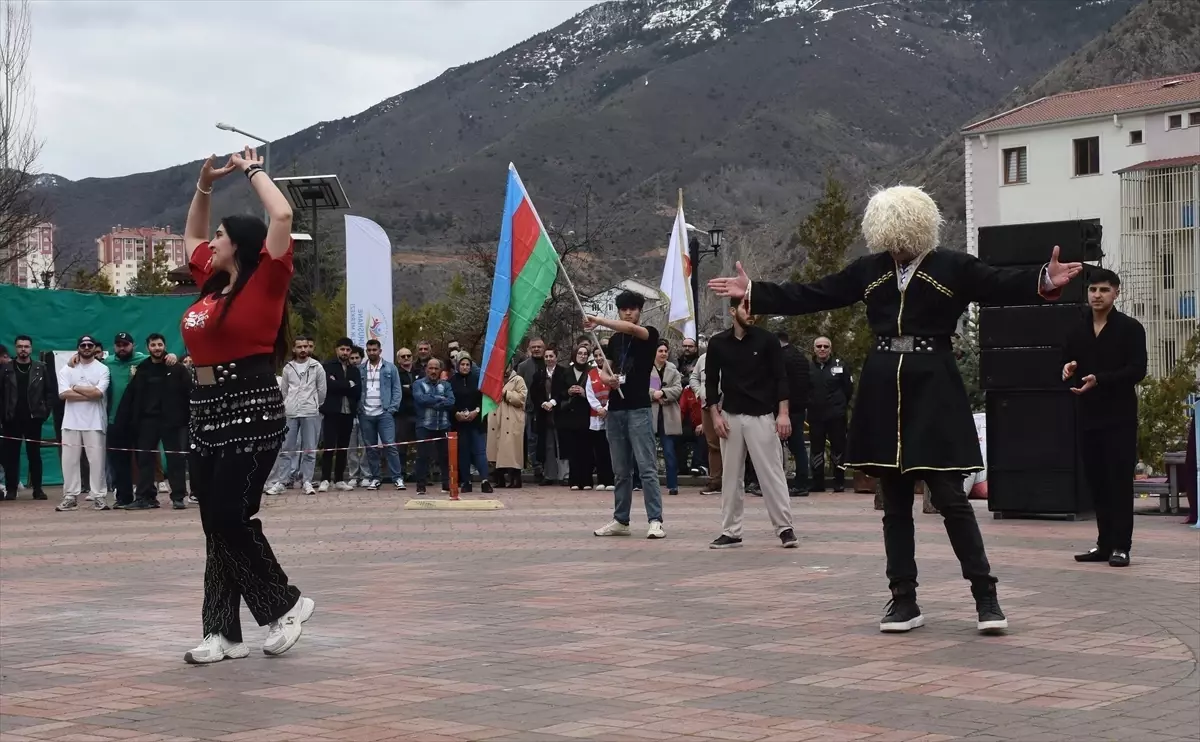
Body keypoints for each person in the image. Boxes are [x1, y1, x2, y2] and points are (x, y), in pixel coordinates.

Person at [710, 184, 1082, 634]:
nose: (899, 244)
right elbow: (815, 293)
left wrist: (1043, 279)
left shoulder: (952, 266)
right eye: (892, 235)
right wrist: (756, 290)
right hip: (884, 384)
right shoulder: (871, 269)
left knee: (950, 498)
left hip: (935, 382)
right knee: (895, 501)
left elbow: (997, 282)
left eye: (904, 233)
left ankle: (986, 598)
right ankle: (903, 600)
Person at [179, 147, 312, 664]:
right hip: (206, 408)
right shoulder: (211, 285)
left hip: (252, 406)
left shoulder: (267, 279)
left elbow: (281, 215)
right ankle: (222, 633)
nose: (209, 243)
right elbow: (192, 235)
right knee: (214, 519)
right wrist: (204, 185)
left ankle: (285, 604)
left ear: (238, 245)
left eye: (219, 236)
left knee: (231, 515)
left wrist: (253, 171)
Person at [1062, 269, 1147, 567]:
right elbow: (1067, 362)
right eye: (1092, 290)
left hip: (1120, 418)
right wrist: (1068, 368)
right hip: (1088, 416)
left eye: (1103, 290)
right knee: (1096, 482)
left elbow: (1138, 370)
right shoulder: (1077, 329)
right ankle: (1104, 544)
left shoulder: (1130, 328)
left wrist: (1102, 379)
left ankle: (1122, 546)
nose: (1097, 295)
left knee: (1119, 483)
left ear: (1116, 293)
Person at [706, 298, 798, 549]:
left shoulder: (767, 340)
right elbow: (711, 383)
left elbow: (781, 377)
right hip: (730, 417)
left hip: (762, 415)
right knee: (730, 476)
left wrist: (783, 413)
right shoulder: (717, 343)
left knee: (772, 474)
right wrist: (715, 416)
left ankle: (785, 528)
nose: (752, 314)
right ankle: (731, 532)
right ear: (733, 311)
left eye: (755, 309)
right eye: (747, 309)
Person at [588, 290, 665, 540]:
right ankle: (621, 519)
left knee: (647, 468)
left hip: (639, 408)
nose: (628, 313)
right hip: (616, 409)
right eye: (624, 309)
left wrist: (597, 320)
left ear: (640, 311)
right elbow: (604, 368)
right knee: (620, 470)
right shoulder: (614, 341)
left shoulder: (649, 334)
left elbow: (632, 330)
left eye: (632, 308)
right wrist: (606, 378)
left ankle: (655, 520)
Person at [117, 333, 192, 509]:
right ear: (147, 348)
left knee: (175, 460)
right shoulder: (142, 368)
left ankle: (178, 497)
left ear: (164, 346)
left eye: (159, 344)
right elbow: (131, 396)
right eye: (153, 345)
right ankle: (146, 497)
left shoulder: (177, 368)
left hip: (172, 422)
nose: (156, 348)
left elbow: (189, 392)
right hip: (147, 422)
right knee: (144, 460)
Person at [55, 335, 111, 512]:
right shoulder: (67, 369)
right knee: (69, 461)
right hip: (70, 422)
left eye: (90, 345)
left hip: (95, 422)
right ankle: (70, 496)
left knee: (96, 461)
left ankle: (99, 496)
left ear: (95, 348)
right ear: (78, 347)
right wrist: (89, 392)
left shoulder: (103, 369)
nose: (86, 347)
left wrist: (76, 388)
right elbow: (63, 394)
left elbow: (98, 394)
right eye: (83, 345)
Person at [266, 335, 326, 496]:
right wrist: (288, 405)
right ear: (294, 349)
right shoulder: (288, 368)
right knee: (286, 449)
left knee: (309, 449)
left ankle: (307, 481)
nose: (303, 350)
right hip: (291, 412)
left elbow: (322, 392)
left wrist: (313, 404)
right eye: (299, 347)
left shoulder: (317, 367)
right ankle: (282, 482)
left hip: (310, 412)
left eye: (306, 346)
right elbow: (284, 391)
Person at [1, 335, 55, 501]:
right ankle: (11, 489)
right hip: (11, 418)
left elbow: (50, 392)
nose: (23, 349)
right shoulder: (6, 369)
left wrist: (44, 412)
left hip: (34, 418)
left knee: (34, 455)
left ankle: (38, 489)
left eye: (26, 346)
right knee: (11, 456)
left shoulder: (41, 368)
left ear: (31, 348)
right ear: (15, 348)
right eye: (20, 346)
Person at [358, 338, 404, 490]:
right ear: (366, 351)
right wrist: (360, 408)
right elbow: (357, 391)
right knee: (370, 448)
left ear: (380, 351)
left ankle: (397, 478)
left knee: (390, 446)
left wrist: (392, 409)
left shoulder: (390, 368)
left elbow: (397, 390)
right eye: (369, 350)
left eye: (374, 350)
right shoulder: (361, 369)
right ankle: (375, 478)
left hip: (384, 413)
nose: (372, 352)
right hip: (366, 413)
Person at [808, 336, 853, 492]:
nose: (822, 349)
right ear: (814, 349)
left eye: (825, 346)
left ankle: (839, 481)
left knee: (838, 448)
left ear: (830, 349)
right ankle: (817, 482)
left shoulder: (840, 366)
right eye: (819, 346)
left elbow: (848, 389)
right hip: (815, 415)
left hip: (836, 415)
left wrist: (840, 405)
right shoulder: (808, 368)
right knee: (816, 449)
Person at [318, 338, 361, 492]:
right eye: (342, 349)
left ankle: (339, 480)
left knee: (343, 447)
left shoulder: (354, 370)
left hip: (348, 412)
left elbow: (356, 391)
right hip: (332, 412)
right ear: (337, 349)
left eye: (348, 350)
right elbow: (328, 386)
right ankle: (324, 479)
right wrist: (346, 384)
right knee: (329, 447)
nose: (345, 352)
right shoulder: (328, 367)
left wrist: (339, 384)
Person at [450, 352, 492, 493]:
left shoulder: (477, 380)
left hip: (476, 422)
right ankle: (466, 481)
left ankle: (485, 480)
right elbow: (449, 400)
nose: (465, 367)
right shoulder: (451, 381)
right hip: (459, 423)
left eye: (468, 364)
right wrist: (456, 413)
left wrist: (477, 411)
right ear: (457, 366)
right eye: (462, 364)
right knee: (464, 452)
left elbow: (483, 398)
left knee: (480, 451)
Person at [412, 357, 455, 495]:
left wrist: (432, 400)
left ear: (440, 370)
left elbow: (451, 401)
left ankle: (446, 484)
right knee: (422, 457)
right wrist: (440, 399)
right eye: (430, 368)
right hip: (424, 425)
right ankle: (421, 485)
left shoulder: (446, 385)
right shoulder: (418, 384)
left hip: (443, 425)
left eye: (436, 368)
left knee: (444, 457)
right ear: (426, 369)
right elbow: (420, 399)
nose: (433, 371)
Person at [777, 331, 812, 496]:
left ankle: (795, 484)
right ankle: (801, 482)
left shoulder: (783, 359)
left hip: (786, 409)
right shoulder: (800, 357)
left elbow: (782, 384)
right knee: (798, 448)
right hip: (799, 407)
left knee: (785, 447)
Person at [487, 357, 527, 489]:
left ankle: (515, 478)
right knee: (496, 449)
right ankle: (499, 479)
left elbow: (521, 399)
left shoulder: (518, 380)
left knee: (512, 450)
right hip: (496, 417)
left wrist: (505, 393)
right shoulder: (493, 380)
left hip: (512, 418)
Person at [650, 340, 684, 497]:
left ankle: (672, 485)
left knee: (669, 451)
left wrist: (663, 393)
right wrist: (653, 394)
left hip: (668, 414)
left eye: (665, 351)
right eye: (660, 351)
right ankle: (642, 483)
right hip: (650, 412)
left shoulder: (673, 370)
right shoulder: (646, 367)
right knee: (646, 451)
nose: (663, 353)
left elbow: (678, 388)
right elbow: (640, 386)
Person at [559, 345, 594, 491]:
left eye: (585, 354)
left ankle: (587, 480)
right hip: (570, 415)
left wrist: (583, 392)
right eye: (580, 353)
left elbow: (596, 392)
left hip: (586, 414)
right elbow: (558, 391)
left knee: (586, 449)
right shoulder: (565, 372)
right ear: (575, 355)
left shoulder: (590, 373)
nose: (583, 356)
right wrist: (568, 391)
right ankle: (574, 480)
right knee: (573, 449)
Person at [690, 351, 723, 496]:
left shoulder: (731, 355)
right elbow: (694, 378)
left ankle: (735, 480)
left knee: (733, 445)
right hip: (707, 406)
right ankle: (715, 481)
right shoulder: (703, 359)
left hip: (728, 406)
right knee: (713, 445)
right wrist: (699, 393)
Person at [585, 346, 615, 491]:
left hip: (611, 414)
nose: (598, 358)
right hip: (596, 416)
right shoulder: (591, 374)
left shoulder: (612, 371)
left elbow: (614, 391)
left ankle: (611, 480)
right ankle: (602, 479)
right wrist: (598, 408)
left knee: (610, 450)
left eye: (601, 355)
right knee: (599, 450)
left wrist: (607, 408)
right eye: (596, 356)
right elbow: (589, 393)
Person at [393, 347, 417, 490]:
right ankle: (400, 473)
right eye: (403, 356)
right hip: (402, 414)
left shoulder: (418, 371)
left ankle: (421, 474)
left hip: (418, 413)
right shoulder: (395, 372)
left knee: (422, 445)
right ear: (398, 359)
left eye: (408, 355)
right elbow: (398, 390)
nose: (406, 358)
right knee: (401, 447)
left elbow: (420, 389)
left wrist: (410, 387)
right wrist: (410, 388)